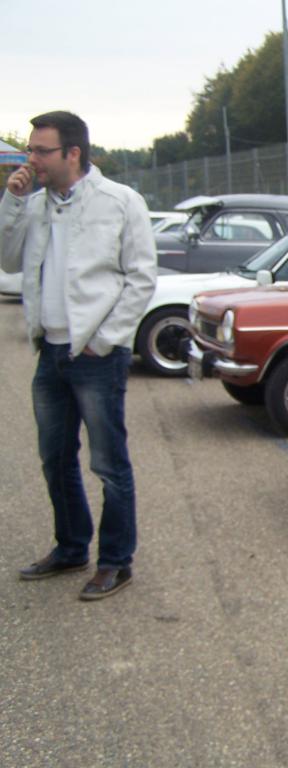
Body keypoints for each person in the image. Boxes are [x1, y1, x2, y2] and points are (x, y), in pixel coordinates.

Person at [0, 111, 156, 600]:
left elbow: (141, 278)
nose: (31, 159)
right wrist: (12, 200)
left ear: (73, 153)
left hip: (95, 355)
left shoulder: (120, 202)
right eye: (30, 150)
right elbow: (6, 259)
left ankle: (115, 561)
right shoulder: (35, 203)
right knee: (54, 458)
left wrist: (105, 338)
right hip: (51, 352)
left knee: (108, 463)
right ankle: (71, 548)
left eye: (40, 151)